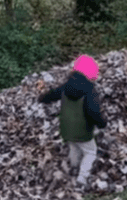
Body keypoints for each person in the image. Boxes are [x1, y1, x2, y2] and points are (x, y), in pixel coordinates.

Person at [38, 54, 107, 187]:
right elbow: (93, 111)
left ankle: (74, 168)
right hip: (82, 130)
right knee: (90, 152)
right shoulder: (89, 90)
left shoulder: (66, 86)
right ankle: (82, 178)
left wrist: (42, 98)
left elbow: (52, 94)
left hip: (66, 128)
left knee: (74, 146)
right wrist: (102, 123)